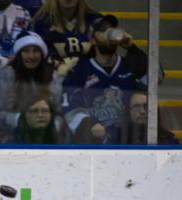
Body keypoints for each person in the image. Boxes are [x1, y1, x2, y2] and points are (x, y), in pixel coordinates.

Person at [62, 14, 138, 144]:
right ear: (92, 39)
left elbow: (157, 77)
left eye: (112, 29)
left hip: (127, 140)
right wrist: (90, 125)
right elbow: (68, 106)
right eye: (103, 30)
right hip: (91, 143)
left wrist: (132, 48)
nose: (109, 34)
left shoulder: (130, 64)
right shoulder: (79, 71)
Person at [0, 30, 63, 136]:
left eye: (36, 51)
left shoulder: (53, 75)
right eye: (26, 51)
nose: (31, 56)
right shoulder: (6, 74)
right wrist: (23, 121)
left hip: (48, 133)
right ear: (19, 53)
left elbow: (59, 112)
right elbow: (0, 112)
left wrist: (50, 124)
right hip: (14, 133)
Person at [33, 0, 102, 75]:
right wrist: (57, 65)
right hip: (53, 79)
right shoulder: (42, 22)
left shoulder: (95, 20)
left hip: (90, 79)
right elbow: (36, 53)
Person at [114, 90, 179, 145]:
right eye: (136, 106)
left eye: (146, 106)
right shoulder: (118, 137)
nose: (142, 111)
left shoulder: (169, 138)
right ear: (129, 112)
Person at [3, 95, 69, 144]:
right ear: (25, 115)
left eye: (45, 111)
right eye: (34, 111)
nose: (40, 115)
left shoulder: (61, 140)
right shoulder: (11, 140)